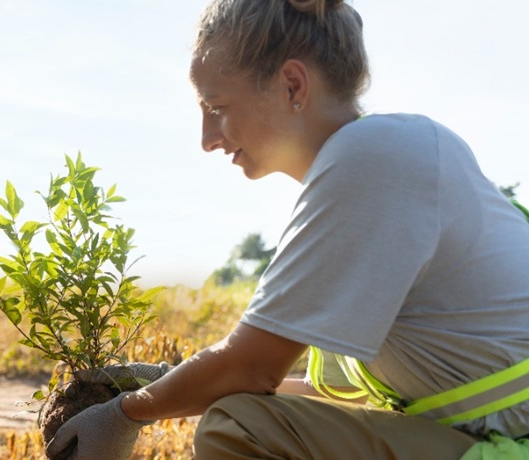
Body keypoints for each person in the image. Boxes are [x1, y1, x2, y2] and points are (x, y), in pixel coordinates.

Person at [45, 0, 529, 459]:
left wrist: (125, 413)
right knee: (235, 410)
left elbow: (253, 367)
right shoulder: (382, 159)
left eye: (217, 106)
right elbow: (329, 396)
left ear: (293, 86)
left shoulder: (375, 155)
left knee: (238, 425)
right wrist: (167, 380)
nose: (207, 140)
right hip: (488, 436)